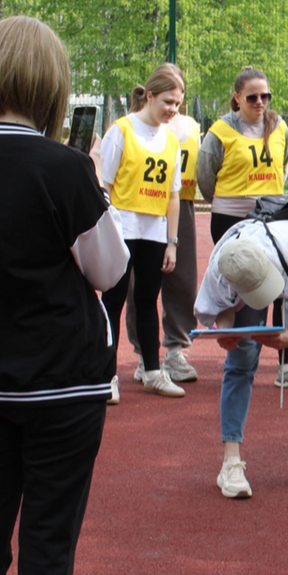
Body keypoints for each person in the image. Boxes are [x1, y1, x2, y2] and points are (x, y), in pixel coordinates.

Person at [0, 15, 128, 575]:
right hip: (62, 381)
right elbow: (109, 270)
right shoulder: (64, 168)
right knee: (48, 539)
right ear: (51, 86)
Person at [194, 216, 288, 499]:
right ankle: (230, 463)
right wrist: (225, 334)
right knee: (239, 362)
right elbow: (222, 309)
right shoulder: (221, 268)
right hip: (255, 264)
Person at [196, 66, 288, 387]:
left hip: (271, 218)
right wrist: (231, 201)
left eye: (266, 95)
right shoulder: (220, 132)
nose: (260, 101)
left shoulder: (279, 127)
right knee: (240, 288)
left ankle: (286, 364)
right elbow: (205, 176)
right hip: (231, 220)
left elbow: (285, 164)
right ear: (237, 98)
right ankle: (241, 359)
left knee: (282, 289)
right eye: (252, 96)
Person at [100, 63, 186, 398]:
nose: (172, 109)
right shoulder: (120, 131)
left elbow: (174, 195)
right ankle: (106, 376)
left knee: (148, 300)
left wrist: (172, 242)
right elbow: (104, 186)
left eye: (177, 104)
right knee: (113, 301)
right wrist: (105, 233)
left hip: (153, 231)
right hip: (121, 227)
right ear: (149, 96)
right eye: (167, 102)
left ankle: (152, 370)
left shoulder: (170, 139)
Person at [127, 105, 201, 384]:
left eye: (179, 96)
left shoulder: (192, 125)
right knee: (140, 284)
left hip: (181, 203)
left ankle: (175, 350)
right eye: (169, 97)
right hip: (143, 206)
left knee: (182, 279)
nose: (174, 103)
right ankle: (143, 354)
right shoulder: (134, 126)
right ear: (151, 96)